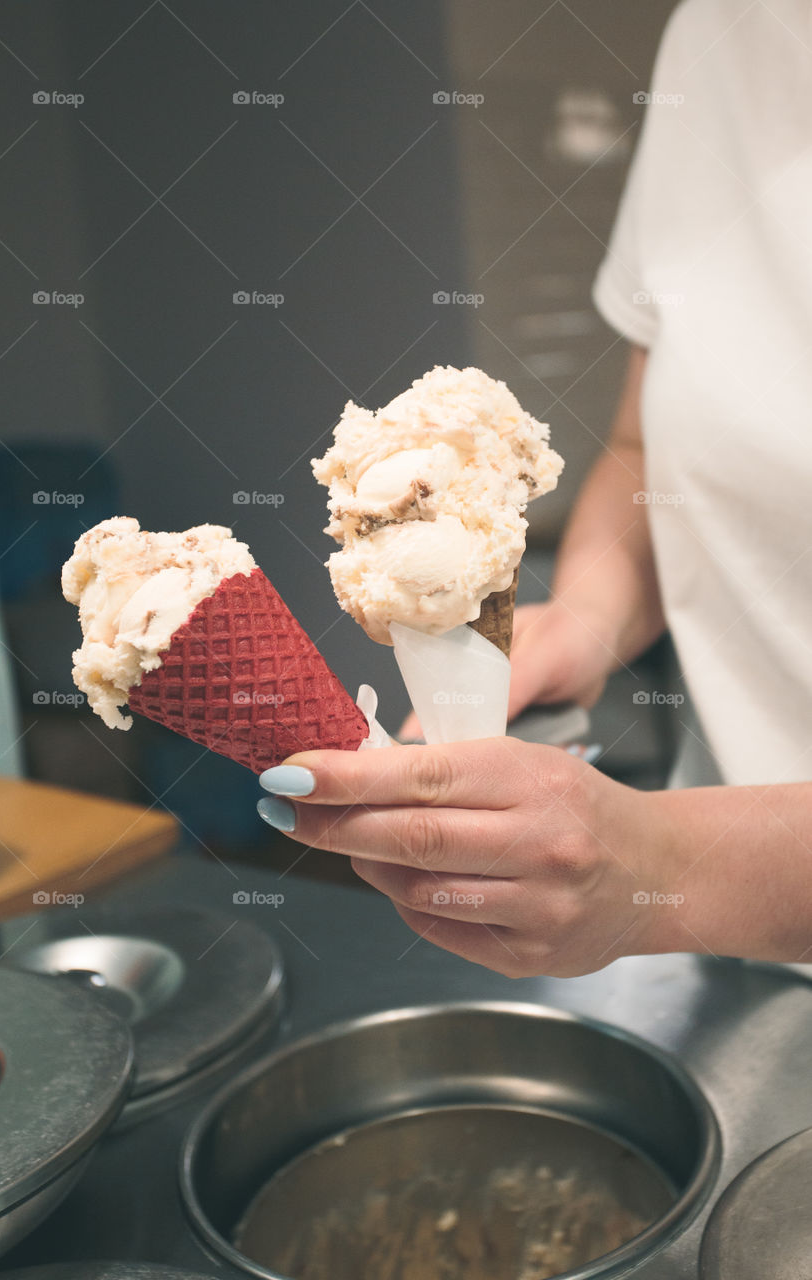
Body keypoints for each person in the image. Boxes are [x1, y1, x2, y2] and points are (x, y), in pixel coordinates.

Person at [255, 0, 812, 977]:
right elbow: (647, 453)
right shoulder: (723, 32)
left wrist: (673, 866)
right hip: (734, 966)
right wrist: (585, 622)